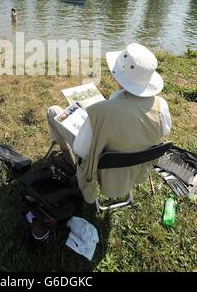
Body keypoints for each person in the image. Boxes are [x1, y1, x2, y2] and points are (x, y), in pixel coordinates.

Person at [47, 43, 172, 203]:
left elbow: (82, 150)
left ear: (116, 76)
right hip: (136, 167)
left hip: (103, 171)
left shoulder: (100, 111)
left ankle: (67, 158)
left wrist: (92, 121)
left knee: (53, 111)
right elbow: (164, 131)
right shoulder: (161, 105)